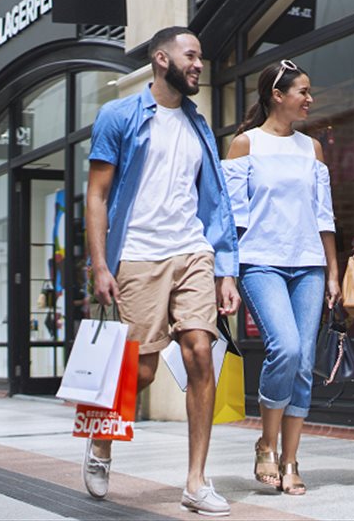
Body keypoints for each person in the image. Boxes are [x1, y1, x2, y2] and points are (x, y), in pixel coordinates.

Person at [85, 26, 241, 516]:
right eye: (190, 55)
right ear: (160, 59)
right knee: (142, 370)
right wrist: (99, 264)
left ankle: (196, 481)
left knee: (199, 351)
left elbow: (216, 206)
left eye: (200, 57)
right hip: (138, 254)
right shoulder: (119, 116)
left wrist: (226, 271)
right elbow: (97, 195)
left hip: (192, 251)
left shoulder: (199, 126)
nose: (198, 64)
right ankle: (101, 443)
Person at [222, 60, 341, 495]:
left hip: (309, 263)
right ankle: (266, 445)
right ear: (278, 94)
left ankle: (290, 460)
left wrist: (333, 271)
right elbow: (232, 219)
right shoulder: (244, 145)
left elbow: (323, 215)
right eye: (303, 92)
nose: (310, 99)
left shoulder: (312, 148)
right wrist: (226, 275)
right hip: (260, 262)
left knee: (304, 364)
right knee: (286, 348)